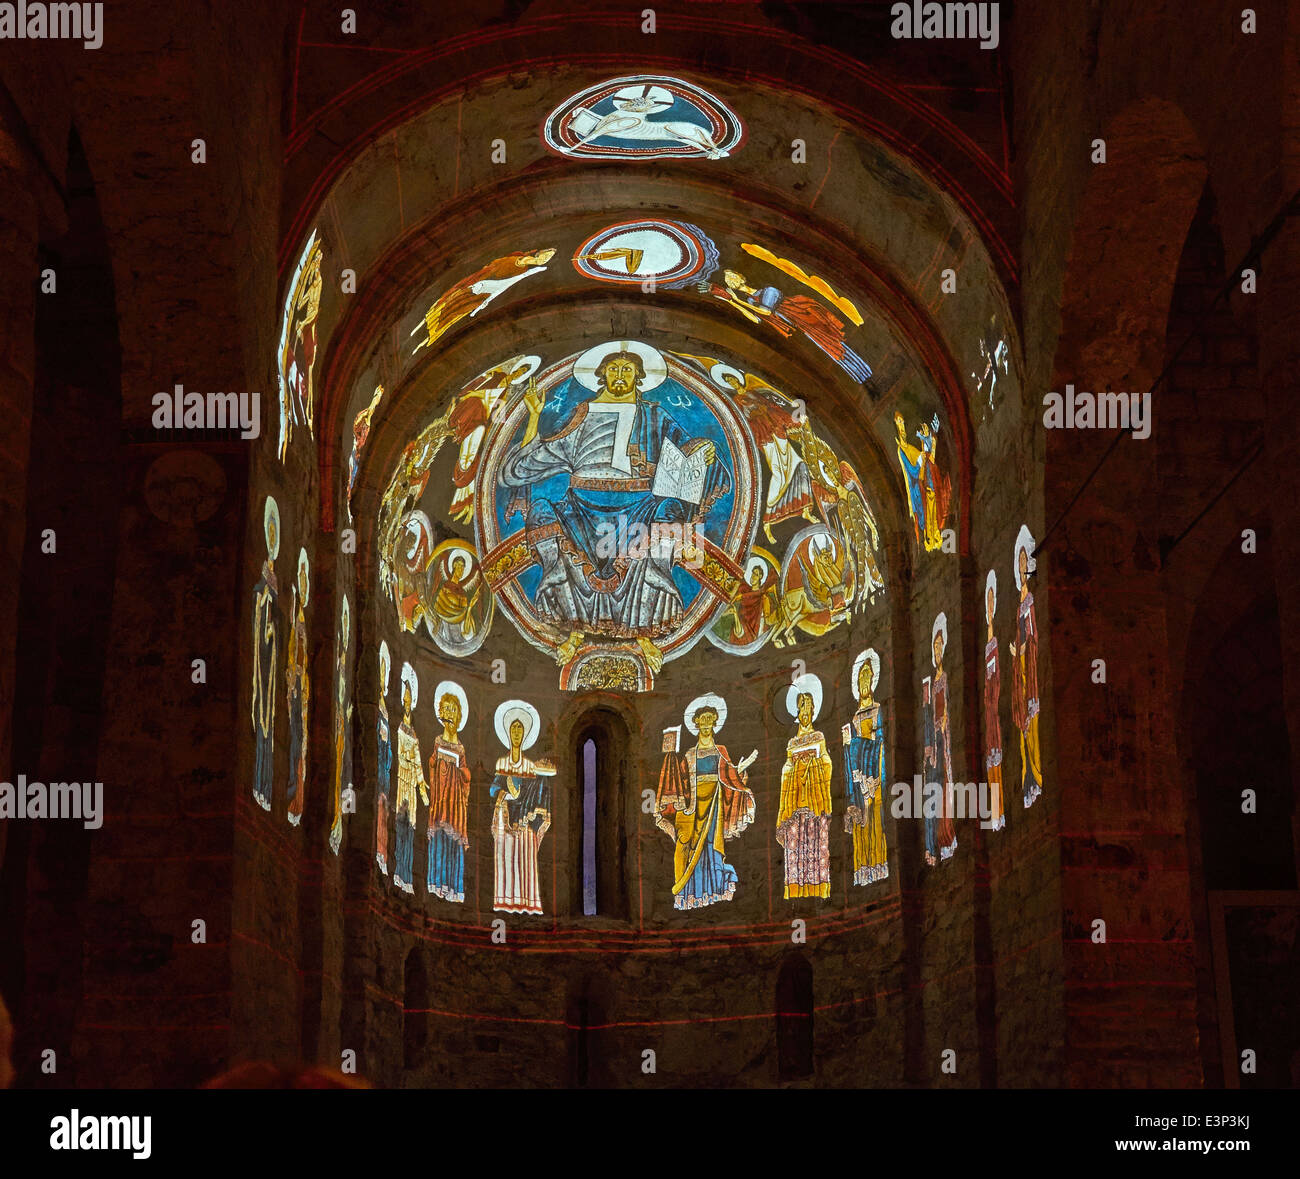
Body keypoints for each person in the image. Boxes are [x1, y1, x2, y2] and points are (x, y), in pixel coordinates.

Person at [498, 344, 731, 671]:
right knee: (541, 512)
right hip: (579, 508)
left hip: (640, 507)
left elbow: (685, 452)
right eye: (613, 368)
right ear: (601, 374)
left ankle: (645, 634)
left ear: (639, 376)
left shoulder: (654, 414)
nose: (620, 375)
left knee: (668, 518)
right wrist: (535, 417)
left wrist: (704, 447)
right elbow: (525, 467)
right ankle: (574, 631)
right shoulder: (580, 415)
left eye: (627, 369)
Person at [655, 693, 755, 909]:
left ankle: (711, 891)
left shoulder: (721, 752)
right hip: (692, 807)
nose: (707, 723)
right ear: (696, 722)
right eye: (703, 719)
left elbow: (731, 778)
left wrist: (741, 771)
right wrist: (669, 759)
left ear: (715, 723)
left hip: (714, 806)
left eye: (711, 719)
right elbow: (678, 783)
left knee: (711, 848)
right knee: (684, 844)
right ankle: (686, 891)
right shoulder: (689, 755)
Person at [712, 270, 872, 383]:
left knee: (831, 342)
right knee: (824, 349)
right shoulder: (750, 302)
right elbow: (756, 319)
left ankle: (862, 371)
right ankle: (856, 373)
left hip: (803, 316)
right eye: (728, 282)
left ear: (741, 277)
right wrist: (731, 302)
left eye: (732, 277)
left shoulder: (768, 290)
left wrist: (737, 300)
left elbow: (766, 312)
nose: (731, 282)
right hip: (794, 328)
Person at [489, 701, 555, 914]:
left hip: (524, 825)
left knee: (525, 858)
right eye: (513, 729)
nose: (516, 733)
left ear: (525, 734)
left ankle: (526, 900)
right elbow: (492, 789)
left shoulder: (530, 765)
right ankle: (505, 899)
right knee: (506, 859)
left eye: (520, 729)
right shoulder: (501, 762)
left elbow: (538, 790)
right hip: (505, 819)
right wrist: (506, 793)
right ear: (508, 733)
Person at [777, 674, 834, 899]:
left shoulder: (819, 737)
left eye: (809, 708)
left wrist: (814, 764)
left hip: (814, 799)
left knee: (815, 844)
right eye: (802, 708)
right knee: (795, 845)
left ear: (813, 712)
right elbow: (786, 769)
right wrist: (792, 769)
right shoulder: (792, 743)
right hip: (795, 802)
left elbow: (827, 763)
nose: (805, 712)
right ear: (797, 712)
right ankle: (795, 888)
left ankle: (818, 887)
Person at [843, 650, 889, 885]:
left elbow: (880, 741)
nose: (863, 682)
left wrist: (876, 775)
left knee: (875, 822)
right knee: (861, 823)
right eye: (860, 678)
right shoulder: (854, 718)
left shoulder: (878, 710)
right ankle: (862, 868)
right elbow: (849, 752)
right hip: (858, 777)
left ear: (872, 681)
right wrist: (848, 746)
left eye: (867, 677)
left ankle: (878, 864)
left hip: (873, 776)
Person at [426, 682, 471, 902]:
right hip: (441, 800)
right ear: (442, 712)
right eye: (447, 709)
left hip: (455, 804)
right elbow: (432, 766)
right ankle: (435, 883)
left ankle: (454, 887)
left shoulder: (461, 748)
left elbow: (466, 776)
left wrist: (461, 771)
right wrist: (437, 761)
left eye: (455, 710)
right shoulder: (437, 741)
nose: (451, 714)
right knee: (439, 840)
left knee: (453, 843)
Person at [1010, 526, 1043, 808]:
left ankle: (1039, 776)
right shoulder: (1018, 603)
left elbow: (1032, 637)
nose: (1022, 568)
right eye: (1019, 564)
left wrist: (1023, 649)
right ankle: (1028, 781)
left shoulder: (1030, 601)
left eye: (1024, 563)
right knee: (1023, 731)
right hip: (1019, 669)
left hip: (1029, 668)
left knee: (1032, 727)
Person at [251, 497, 280, 811]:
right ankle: (259, 783)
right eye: (270, 536)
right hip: (261, 658)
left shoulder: (276, 583)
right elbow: (260, 615)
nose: (272, 543)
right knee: (260, 716)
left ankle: (264, 783)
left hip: (272, 663)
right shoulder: (262, 581)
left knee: (270, 723)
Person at [923, 613, 958, 865]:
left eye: (939, 646)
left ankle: (947, 835)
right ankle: (934, 842)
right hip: (933, 741)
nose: (936, 650)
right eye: (934, 647)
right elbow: (928, 712)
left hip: (943, 739)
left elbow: (947, 705)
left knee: (944, 787)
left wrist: (943, 722)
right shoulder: (931, 682)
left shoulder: (944, 678)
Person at [393, 664, 427, 894]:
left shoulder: (414, 734)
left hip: (411, 784)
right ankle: (398, 871)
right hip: (401, 780)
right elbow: (400, 755)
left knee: (411, 827)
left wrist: (423, 790)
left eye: (409, 699)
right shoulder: (399, 729)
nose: (406, 703)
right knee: (401, 823)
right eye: (404, 698)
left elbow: (417, 763)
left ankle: (406, 874)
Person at [285, 547, 309, 826]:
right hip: (295, 692)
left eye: (305, 583)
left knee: (301, 747)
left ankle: (298, 799)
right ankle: (292, 794)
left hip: (302, 696)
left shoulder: (303, 622)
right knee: (294, 744)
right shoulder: (296, 620)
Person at [983, 570, 1006, 830]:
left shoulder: (995, 641)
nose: (989, 608)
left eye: (992, 603)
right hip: (988, 709)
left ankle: (999, 812)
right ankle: (995, 812)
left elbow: (996, 675)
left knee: (996, 755)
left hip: (994, 706)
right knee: (991, 757)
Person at [375, 642, 393, 875]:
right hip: (377, 769)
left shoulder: (387, 711)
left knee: (383, 810)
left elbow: (389, 751)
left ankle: (381, 852)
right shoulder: (379, 710)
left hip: (383, 770)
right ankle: (378, 850)